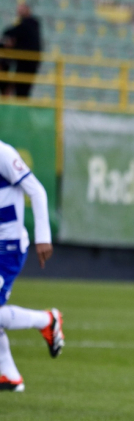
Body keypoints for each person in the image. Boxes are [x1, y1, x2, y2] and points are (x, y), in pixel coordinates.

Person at [0, 138, 64, 392]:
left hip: (8, 248)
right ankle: (9, 375)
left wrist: (43, 237)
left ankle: (46, 320)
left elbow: (36, 190)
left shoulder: (3, 153)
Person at [4, 2, 42, 98]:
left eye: (21, 8)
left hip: (27, 62)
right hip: (24, 62)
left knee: (22, 91)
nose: (19, 11)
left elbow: (10, 31)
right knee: (20, 90)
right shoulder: (28, 24)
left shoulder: (30, 23)